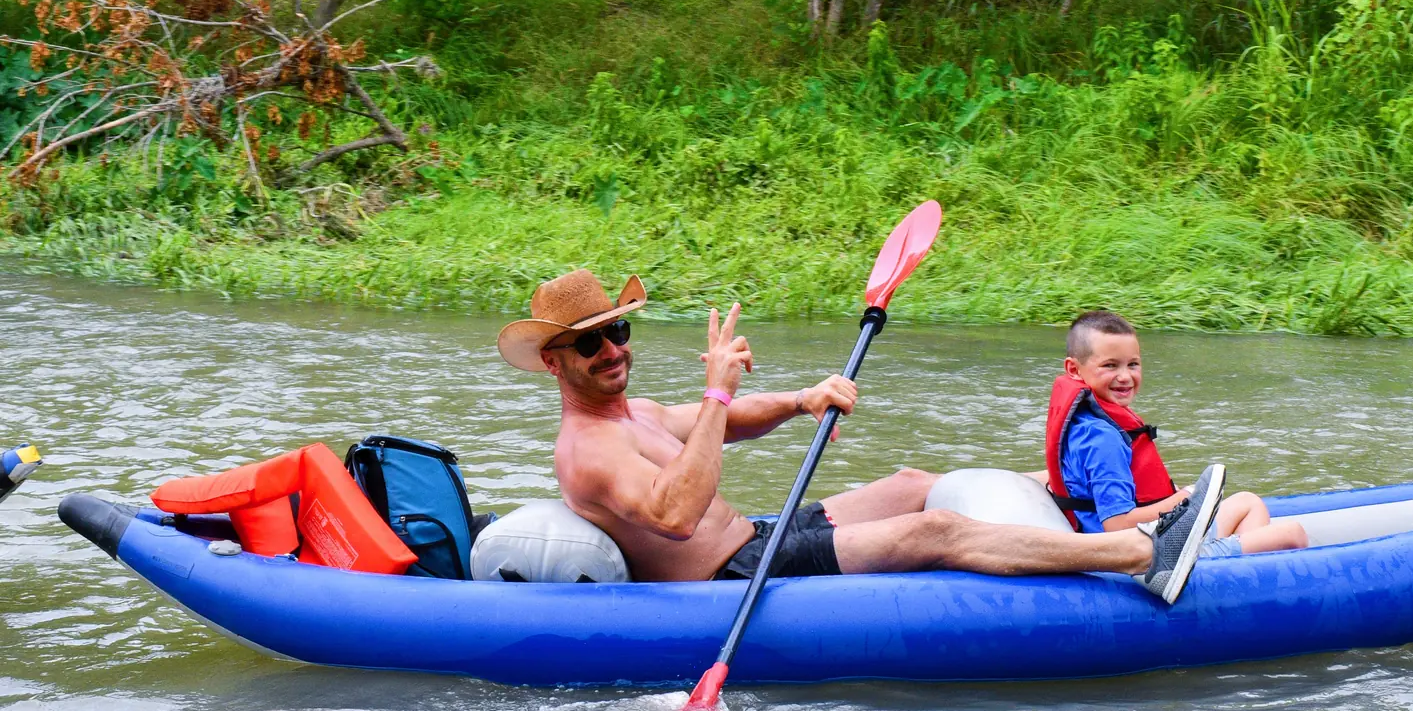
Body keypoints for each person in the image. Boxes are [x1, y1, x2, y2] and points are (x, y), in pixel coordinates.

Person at [497, 270, 1223, 602]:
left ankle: (1067, 498)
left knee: (911, 484)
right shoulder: (587, 450)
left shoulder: (635, 412)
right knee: (935, 529)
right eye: (590, 344)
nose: (612, 351)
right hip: (731, 576)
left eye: (618, 332)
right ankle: (1140, 552)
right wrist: (719, 388)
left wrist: (801, 399)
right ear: (555, 362)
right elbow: (677, 512)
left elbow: (724, 423)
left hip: (759, 535)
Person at [1045, 310, 1307, 560]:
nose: (1125, 376)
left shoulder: (1086, 423)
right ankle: (1205, 561)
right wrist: (1184, 499)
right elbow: (1117, 525)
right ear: (1074, 369)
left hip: (1148, 538)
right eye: (1110, 365)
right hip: (1145, 552)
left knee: (1249, 503)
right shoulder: (1103, 438)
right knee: (1292, 534)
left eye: (1133, 364)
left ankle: (1226, 570)